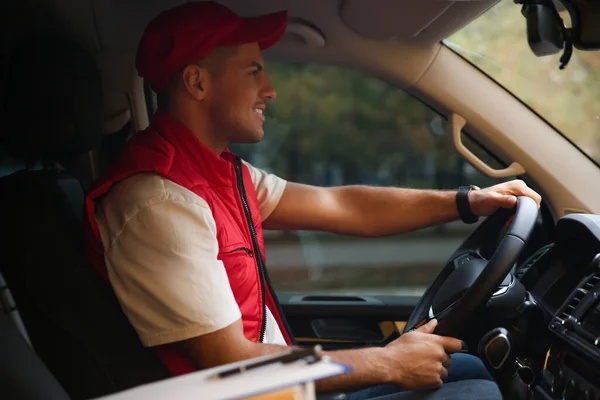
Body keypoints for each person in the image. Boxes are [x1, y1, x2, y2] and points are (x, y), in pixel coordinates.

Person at [83, 2, 541, 399]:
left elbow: (343, 206)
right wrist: (386, 363)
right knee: (475, 392)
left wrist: (469, 201)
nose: (271, 89)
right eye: (253, 71)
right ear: (197, 83)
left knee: (467, 370)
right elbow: (226, 365)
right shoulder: (158, 201)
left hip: (279, 388)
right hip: (254, 392)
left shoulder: (220, 173)